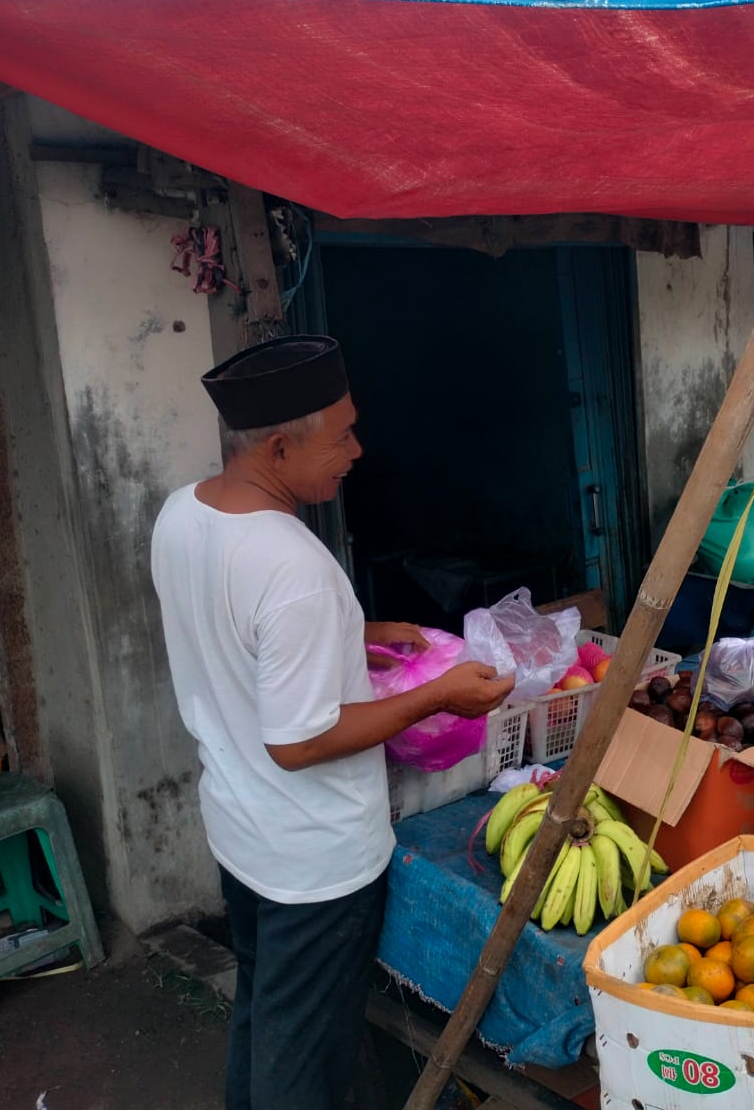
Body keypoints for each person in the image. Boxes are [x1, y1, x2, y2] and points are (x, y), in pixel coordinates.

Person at [150, 335, 516, 1110]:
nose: (357, 451)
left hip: (242, 829)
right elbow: (298, 741)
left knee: (265, 1010)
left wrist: (355, 632)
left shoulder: (184, 513)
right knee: (304, 1055)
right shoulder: (294, 565)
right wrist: (436, 695)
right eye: (342, 435)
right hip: (312, 858)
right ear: (279, 448)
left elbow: (237, 632)